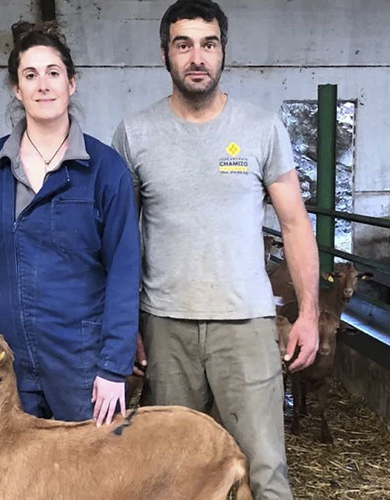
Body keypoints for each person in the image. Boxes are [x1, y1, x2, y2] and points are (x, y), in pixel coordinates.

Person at [112, 1, 320, 498]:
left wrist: (309, 313)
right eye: (183, 44)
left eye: (208, 43)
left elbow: (294, 224)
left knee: (265, 468)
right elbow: (121, 240)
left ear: (224, 52)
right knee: (166, 472)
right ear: (165, 54)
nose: (197, 56)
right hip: (164, 326)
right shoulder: (134, 134)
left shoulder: (261, 128)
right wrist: (124, 328)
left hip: (246, 324)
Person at [0, 21, 140, 426]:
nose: (43, 85)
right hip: (4, 356)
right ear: (17, 89)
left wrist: (115, 367)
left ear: (71, 83)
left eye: (53, 73)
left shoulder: (104, 169)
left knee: (90, 476)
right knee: (14, 474)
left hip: (80, 357)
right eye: (30, 75)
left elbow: (123, 270)